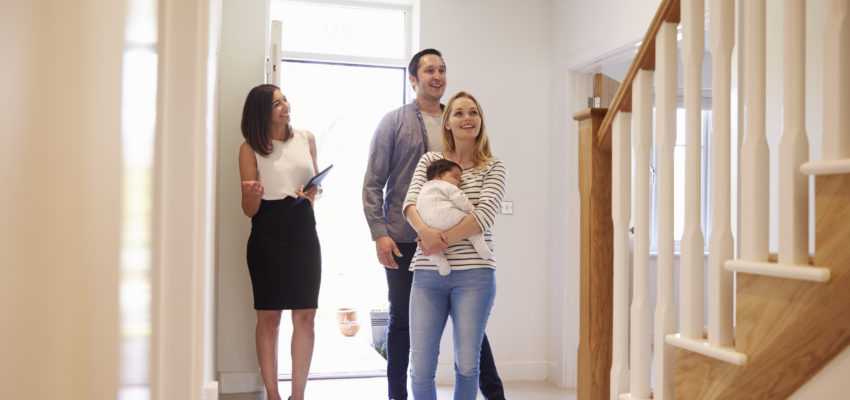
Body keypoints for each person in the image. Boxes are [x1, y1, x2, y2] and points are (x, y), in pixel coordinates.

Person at [362, 49, 507, 400]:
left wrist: (442, 237)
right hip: (407, 240)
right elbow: (377, 185)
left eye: (442, 69)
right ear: (413, 78)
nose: (437, 76)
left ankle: (495, 395)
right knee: (404, 327)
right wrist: (383, 233)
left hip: (464, 255)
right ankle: (397, 396)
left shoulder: (478, 150)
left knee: (469, 347)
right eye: (429, 70)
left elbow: (482, 213)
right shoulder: (395, 123)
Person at [402, 91, 507, 400]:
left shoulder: (494, 167)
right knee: (420, 368)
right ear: (447, 122)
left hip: (474, 276)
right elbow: (411, 204)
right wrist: (424, 231)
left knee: (466, 365)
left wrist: (439, 239)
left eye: (473, 112)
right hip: (427, 274)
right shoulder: (431, 162)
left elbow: (484, 216)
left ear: (480, 121)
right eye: (459, 113)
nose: (466, 118)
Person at [239, 84, 322, 400]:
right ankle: (273, 395)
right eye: (277, 103)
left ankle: (297, 396)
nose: (285, 106)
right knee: (269, 317)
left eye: (285, 99)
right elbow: (249, 210)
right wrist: (252, 193)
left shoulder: (306, 138)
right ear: (262, 112)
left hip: (303, 229)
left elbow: (313, 190)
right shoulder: (250, 148)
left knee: (306, 315)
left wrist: (313, 192)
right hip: (267, 232)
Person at [416, 158, 494, 275]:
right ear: (439, 176)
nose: (459, 183)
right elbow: (460, 199)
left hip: (429, 225)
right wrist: (472, 210)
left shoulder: (423, 189)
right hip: (449, 217)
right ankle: (481, 248)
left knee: (431, 251)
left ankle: (441, 264)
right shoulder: (446, 186)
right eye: (456, 177)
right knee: (472, 222)